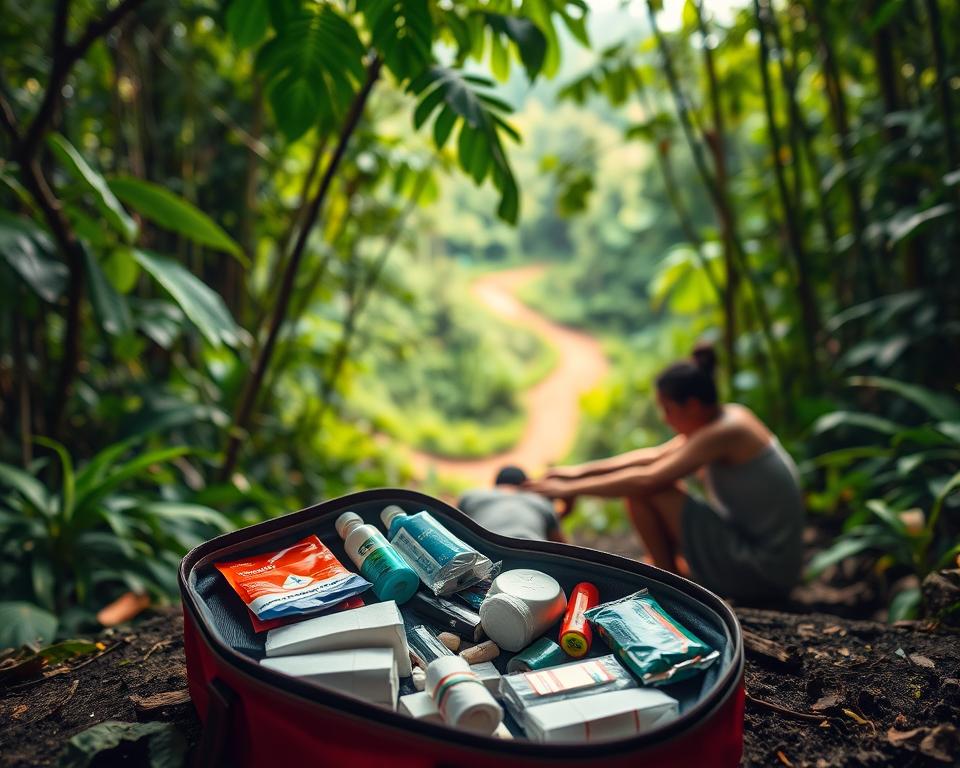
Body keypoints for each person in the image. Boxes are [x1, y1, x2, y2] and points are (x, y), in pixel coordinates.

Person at [525, 343, 804, 602]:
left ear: (692, 405)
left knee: (648, 491)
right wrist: (572, 474)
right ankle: (670, 573)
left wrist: (570, 488)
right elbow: (654, 457)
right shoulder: (725, 419)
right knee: (645, 489)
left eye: (667, 409)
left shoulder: (726, 432)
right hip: (757, 555)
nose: (664, 418)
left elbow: (649, 478)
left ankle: (670, 585)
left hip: (765, 571)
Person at [458, 465, 567, 543]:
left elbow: (453, 525)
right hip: (529, 552)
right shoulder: (541, 502)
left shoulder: (471, 496)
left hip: (482, 549)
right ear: (526, 486)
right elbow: (562, 546)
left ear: (495, 485)